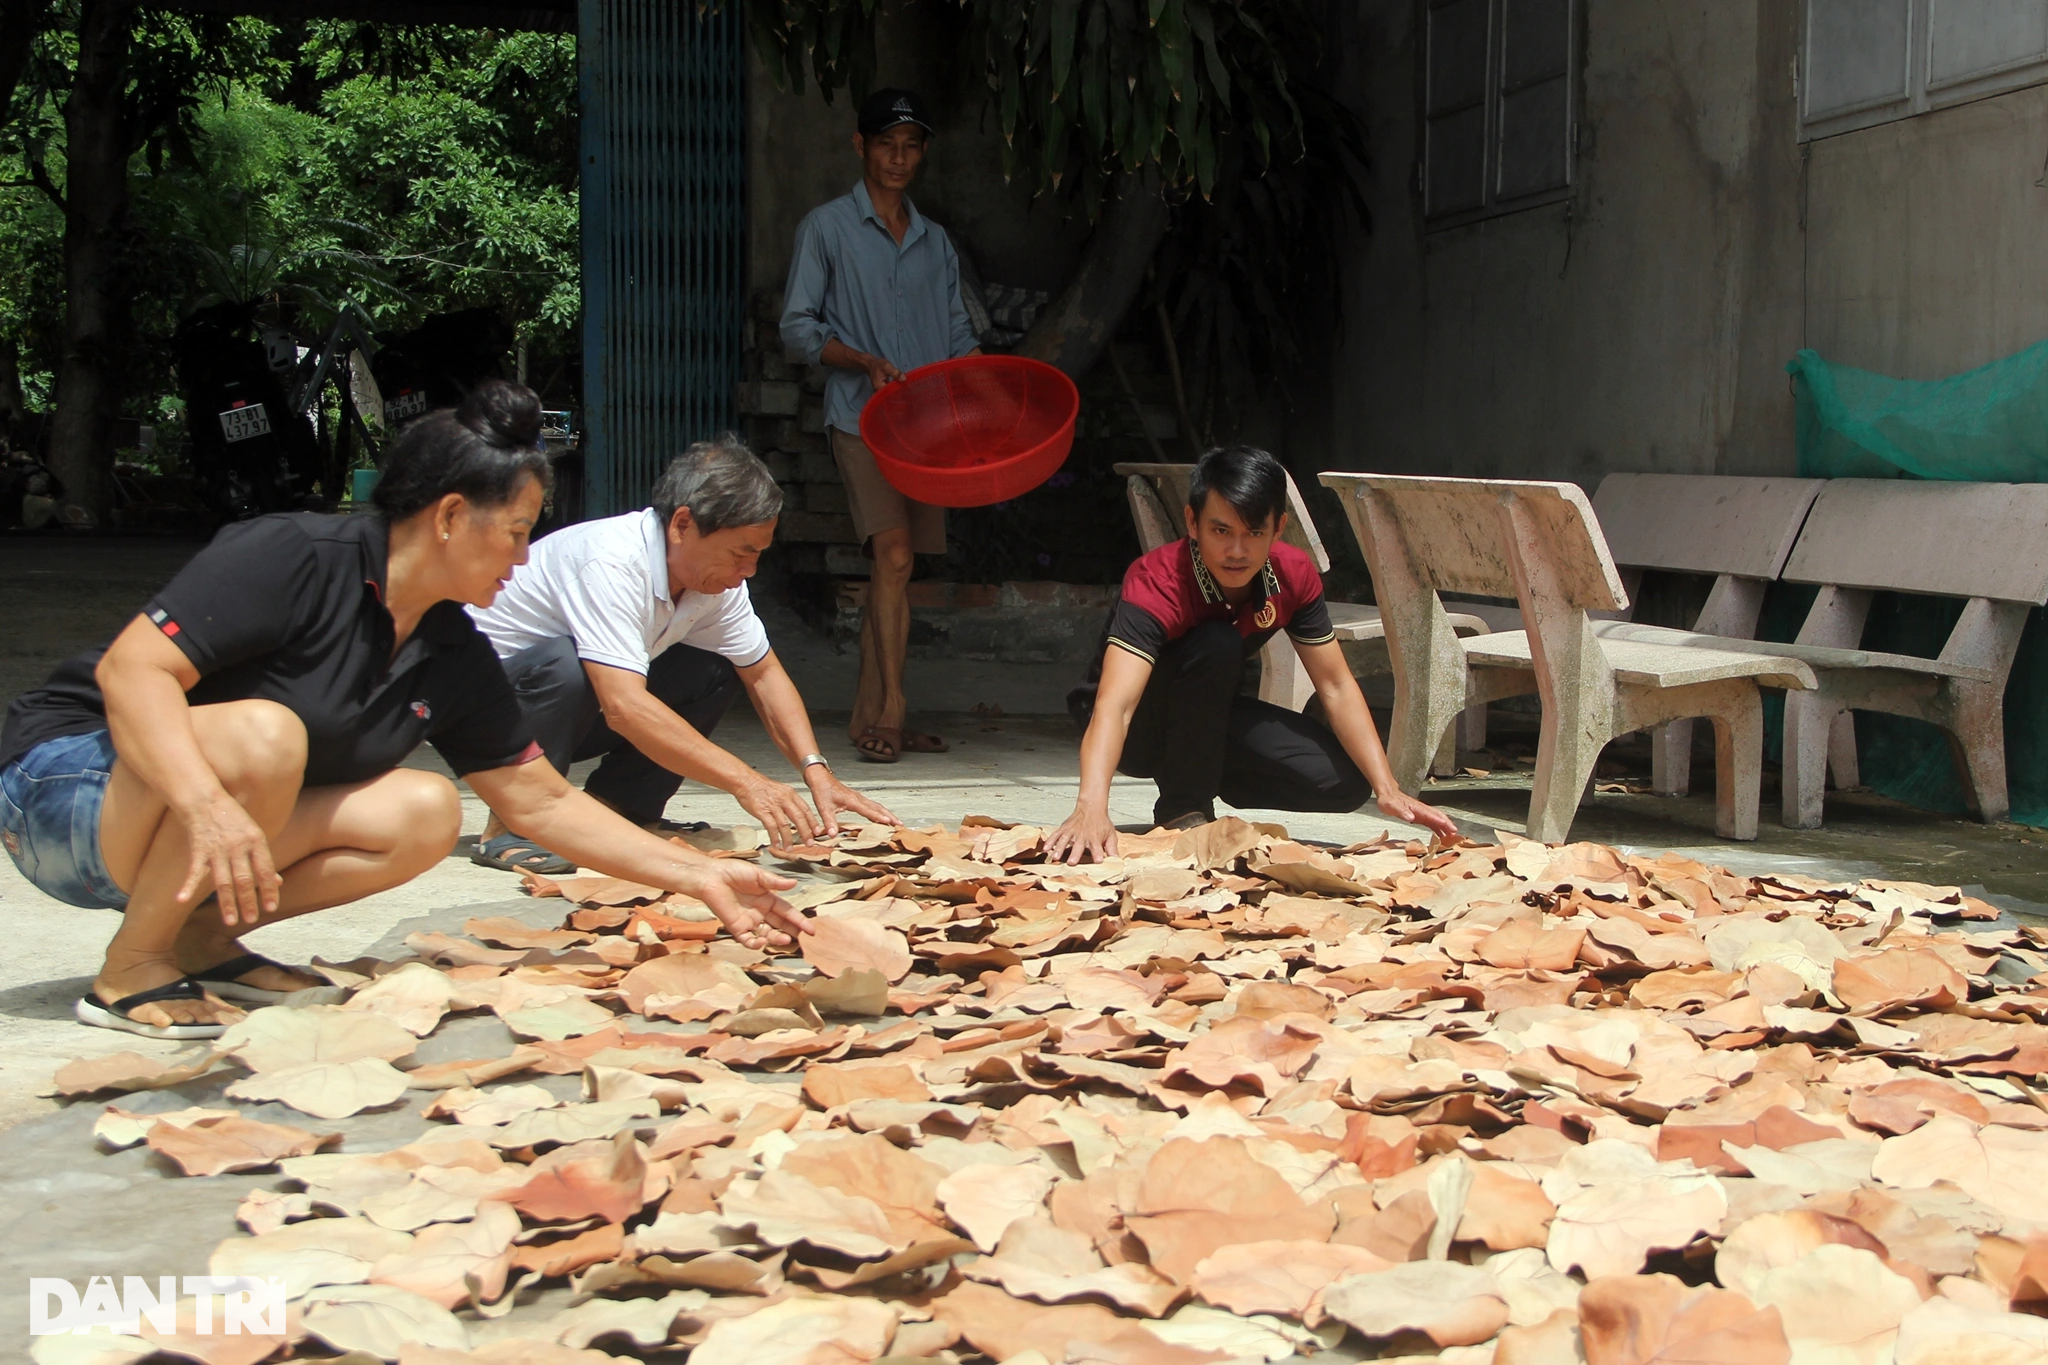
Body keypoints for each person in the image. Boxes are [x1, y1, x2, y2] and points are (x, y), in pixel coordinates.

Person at [0, 382, 807, 1040]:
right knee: (264, 734)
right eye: (518, 532)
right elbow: (131, 672)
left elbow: (540, 801)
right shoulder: (293, 554)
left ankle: (204, 939)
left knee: (422, 810)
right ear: (451, 516)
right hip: (68, 794)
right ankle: (132, 967)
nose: (526, 558)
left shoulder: (451, 645)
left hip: (186, 835)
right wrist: (206, 805)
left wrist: (701, 875)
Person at [465, 435, 900, 871]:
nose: (748, 571)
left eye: (758, 556)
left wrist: (816, 771)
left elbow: (764, 674)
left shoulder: (715, 582)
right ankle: (510, 826)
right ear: (682, 525)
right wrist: (747, 782)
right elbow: (623, 707)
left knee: (711, 669)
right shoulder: (611, 561)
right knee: (568, 666)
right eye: (739, 553)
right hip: (488, 719)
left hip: (570, 714)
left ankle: (622, 809)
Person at [1045, 445, 1460, 863]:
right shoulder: (1156, 581)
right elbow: (1116, 704)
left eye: (1253, 533)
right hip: (1135, 729)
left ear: (1278, 527)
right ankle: (1183, 807)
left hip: (1204, 714)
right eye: (1221, 531)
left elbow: (1335, 684)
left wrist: (1387, 788)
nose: (1237, 551)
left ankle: (1199, 771)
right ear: (1193, 522)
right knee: (1217, 642)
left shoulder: (1293, 575)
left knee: (1344, 783)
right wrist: (1091, 808)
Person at [780, 86, 981, 765]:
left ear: (922, 153)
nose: (899, 157)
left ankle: (870, 713)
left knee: (894, 568)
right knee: (892, 555)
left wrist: (983, 392)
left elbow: (958, 331)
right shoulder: (827, 228)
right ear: (860, 146)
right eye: (886, 144)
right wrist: (860, 359)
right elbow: (798, 328)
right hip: (859, 419)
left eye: (911, 145)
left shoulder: (936, 242)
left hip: (926, 432)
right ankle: (892, 710)